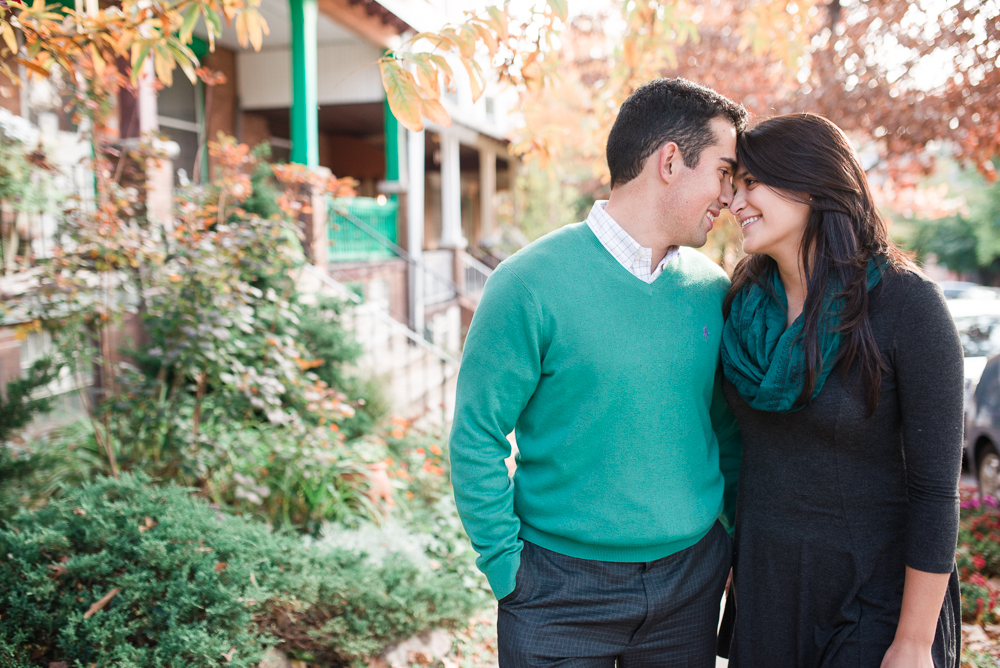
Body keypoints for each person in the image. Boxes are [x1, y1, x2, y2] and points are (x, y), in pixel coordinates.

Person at [449, 78, 745, 667]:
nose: (730, 196)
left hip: (689, 588)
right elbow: (476, 436)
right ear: (669, 162)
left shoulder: (713, 289)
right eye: (723, 171)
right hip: (556, 593)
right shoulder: (527, 283)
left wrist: (732, 543)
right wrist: (508, 569)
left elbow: (727, 434)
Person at [721, 113, 962, 667]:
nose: (735, 202)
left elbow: (935, 493)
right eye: (733, 185)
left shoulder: (906, 305)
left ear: (811, 181)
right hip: (767, 596)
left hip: (874, 602)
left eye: (752, 182)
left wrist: (912, 643)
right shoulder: (741, 307)